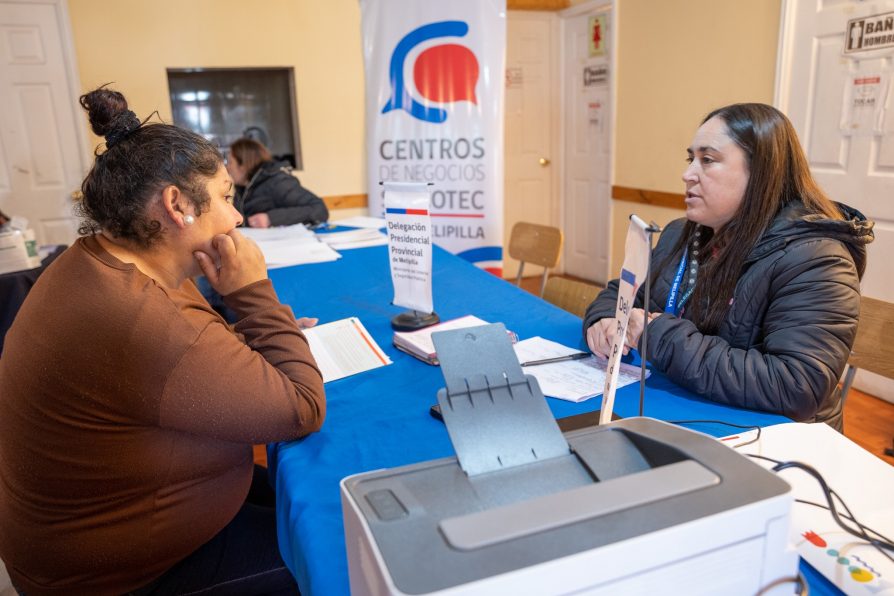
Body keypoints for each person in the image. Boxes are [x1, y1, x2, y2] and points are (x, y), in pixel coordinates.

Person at [0, 87, 326, 595]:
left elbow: (177, 353)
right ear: (177, 204)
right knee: (336, 548)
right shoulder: (138, 315)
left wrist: (244, 336)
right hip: (122, 577)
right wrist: (253, 293)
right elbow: (302, 407)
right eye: (224, 197)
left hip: (103, 535)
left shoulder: (101, 260)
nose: (236, 216)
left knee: (306, 493)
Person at [584, 103, 873, 431]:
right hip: (694, 409)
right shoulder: (682, 232)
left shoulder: (817, 259)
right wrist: (605, 319)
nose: (688, 173)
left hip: (776, 438)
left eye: (707, 160)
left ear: (762, 173)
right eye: (690, 158)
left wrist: (657, 335)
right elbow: (623, 291)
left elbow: (797, 386)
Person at [226, 138, 328, 228]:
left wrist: (270, 218)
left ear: (243, 165)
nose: (227, 168)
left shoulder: (277, 182)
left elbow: (319, 209)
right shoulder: (243, 187)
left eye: (230, 162)